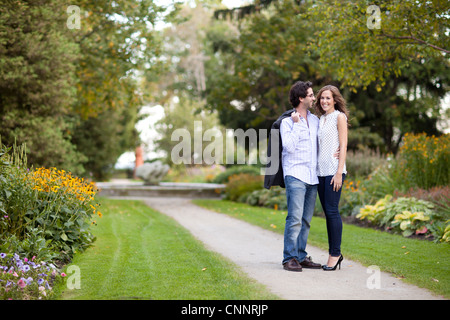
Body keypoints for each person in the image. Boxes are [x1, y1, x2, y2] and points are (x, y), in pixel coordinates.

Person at [280, 81, 322, 272]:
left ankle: (300, 256)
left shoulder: (315, 120)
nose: (315, 98)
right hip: (295, 174)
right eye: (311, 95)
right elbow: (288, 147)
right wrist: (297, 125)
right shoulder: (287, 122)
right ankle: (289, 258)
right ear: (301, 98)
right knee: (295, 218)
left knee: (305, 220)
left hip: (312, 177)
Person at [314, 85, 349, 271]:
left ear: (335, 100)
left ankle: (335, 254)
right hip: (320, 172)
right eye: (322, 98)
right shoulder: (321, 119)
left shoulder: (339, 117)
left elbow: (343, 146)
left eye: (328, 98)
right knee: (328, 213)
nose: (324, 101)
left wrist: (338, 172)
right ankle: (333, 252)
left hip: (334, 172)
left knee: (332, 211)